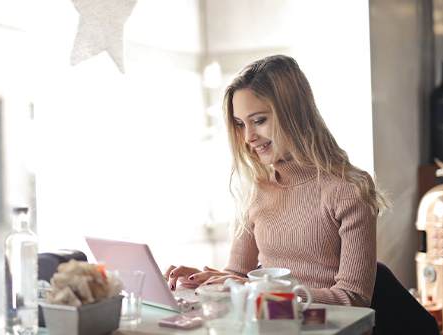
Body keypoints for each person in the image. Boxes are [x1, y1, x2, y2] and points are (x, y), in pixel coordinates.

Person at [163, 54, 389, 307]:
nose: (248, 137)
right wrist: (206, 281)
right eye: (240, 124)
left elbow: (354, 299)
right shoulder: (254, 188)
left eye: (259, 121)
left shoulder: (348, 188)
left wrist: (258, 290)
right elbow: (238, 277)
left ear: (294, 114)